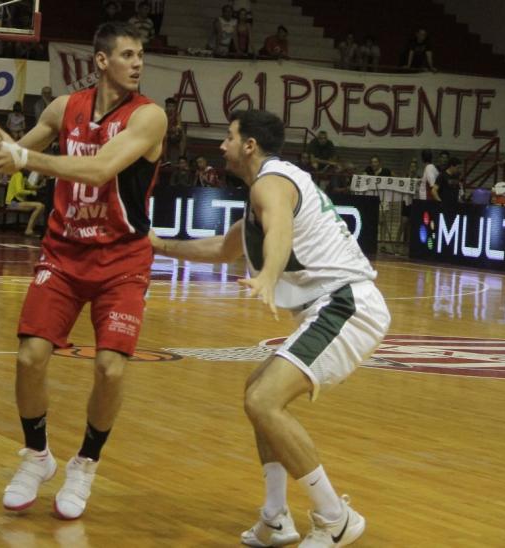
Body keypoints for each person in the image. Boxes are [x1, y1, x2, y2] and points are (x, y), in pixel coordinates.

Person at [149, 109, 390, 547]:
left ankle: (335, 518)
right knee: (256, 391)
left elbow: (279, 232)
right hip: (330, 306)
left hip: (347, 304)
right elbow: (223, 250)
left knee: (264, 399)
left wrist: (268, 274)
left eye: (228, 136)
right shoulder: (265, 190)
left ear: (249, 146)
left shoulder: (271, 183)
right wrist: (156, 244)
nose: (221, 145)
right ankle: (276, 518)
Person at [0, 22, 167, 520]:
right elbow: (16, 154)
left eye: (141, 55)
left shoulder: (149, 118)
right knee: (29, 358)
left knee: (109, 367)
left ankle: (85, 463)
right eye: (127, 54)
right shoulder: (65, 108)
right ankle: (37, 457)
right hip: (63, 251)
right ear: (101, 60)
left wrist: (27, 157)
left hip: (122, 257)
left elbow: (100, 169)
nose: (138, 63)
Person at [5, 170, 45, 236]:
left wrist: (40, 186)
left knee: (41, 206)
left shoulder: (23, 176)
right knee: (39, 206)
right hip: (11, 204)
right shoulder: (18, 174)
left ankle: (30, 229)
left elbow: (30, 186)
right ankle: (28, 230)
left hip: (17, 202)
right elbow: (19, 191)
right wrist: (31, 192)